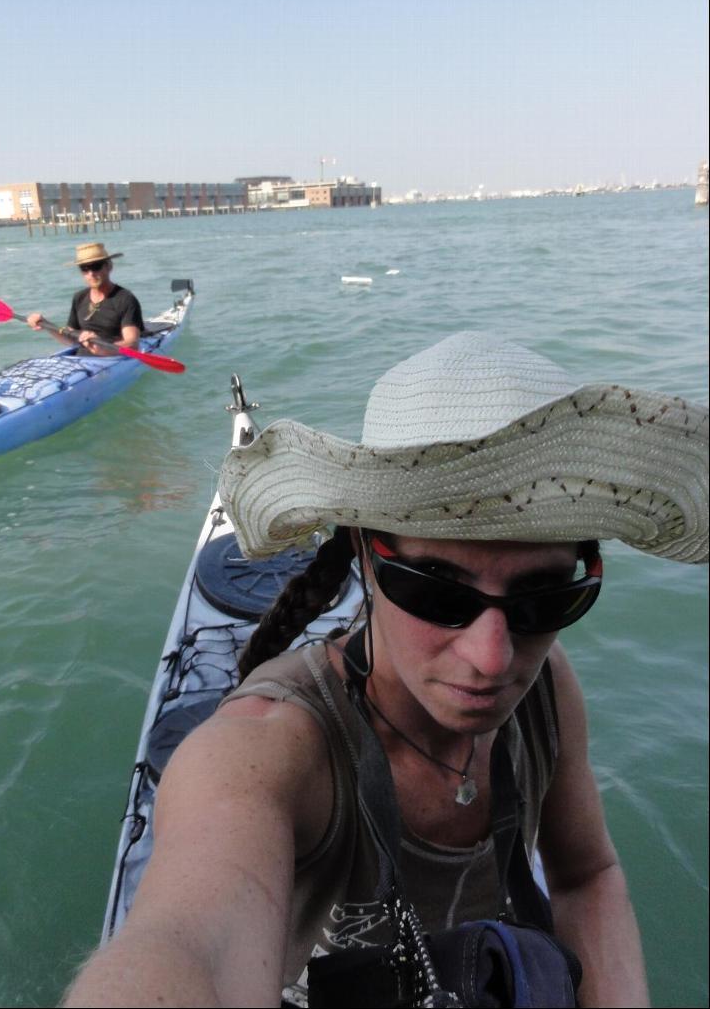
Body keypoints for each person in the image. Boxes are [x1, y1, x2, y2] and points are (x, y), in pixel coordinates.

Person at [63, 331, 708, 1009]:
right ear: (367, 563)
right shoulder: (269, 745)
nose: (491, 659)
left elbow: (586, 875)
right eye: (436, 591)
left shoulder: (547, 686)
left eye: (543, 600)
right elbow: (189, 945)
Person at [27, 241, 144, 356]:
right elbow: (70, 339)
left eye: (96, 266)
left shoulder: (125, 299)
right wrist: (46, 324)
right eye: (85, 269)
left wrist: (103, 349)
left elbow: (132, 344)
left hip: (112, 359)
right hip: (82, 360)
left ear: (109, 266)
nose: (91, 274)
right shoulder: (79, 297)